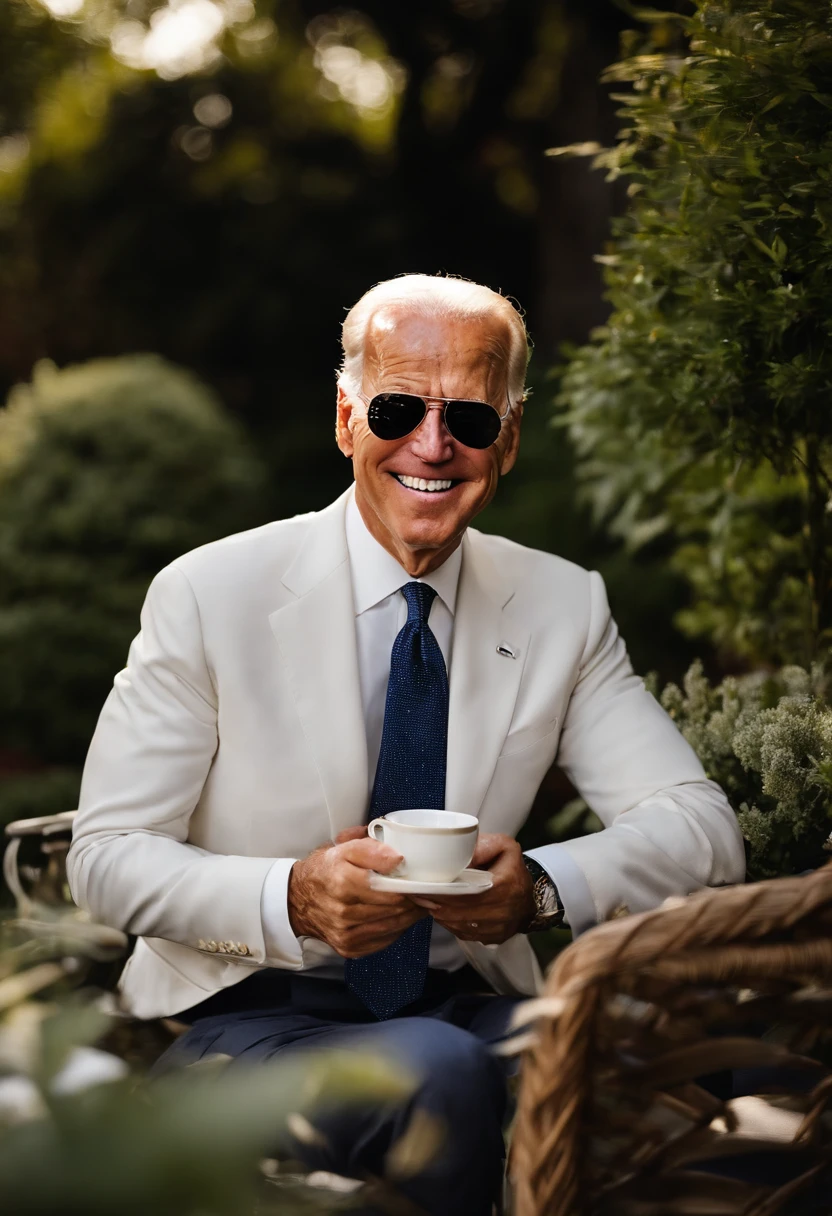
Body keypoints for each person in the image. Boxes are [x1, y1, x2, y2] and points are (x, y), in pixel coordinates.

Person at [67, 274, 745, 1214]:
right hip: (240, 1018)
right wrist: (293, 898)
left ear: (505, 439)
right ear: (347, 419)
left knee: (696, 1076)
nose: (433, 445)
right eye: (397, 407)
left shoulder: (564, 604)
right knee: (441, 1073)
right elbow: (103, 859)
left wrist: (540, 888)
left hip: (461, 1006)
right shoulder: (208, 593)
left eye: (468, 418)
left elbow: (701, 830)